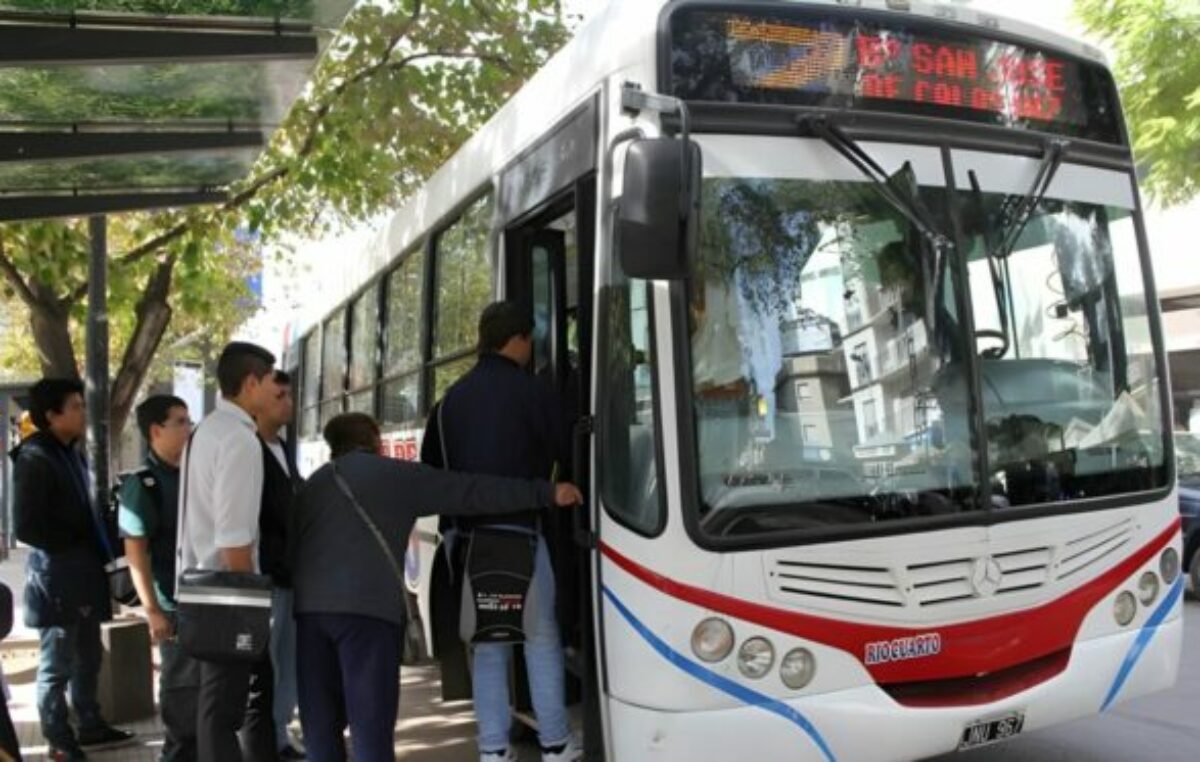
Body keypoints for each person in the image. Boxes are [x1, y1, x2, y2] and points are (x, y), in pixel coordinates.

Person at [291, 412, 582, 762]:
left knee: (320, 726)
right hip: (369, 614)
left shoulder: (313, 485)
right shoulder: (395, 476)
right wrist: (546, 491)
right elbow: (471, 491)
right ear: (375, 441)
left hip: (309, 614)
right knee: (370, 726)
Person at [421, 301, 578, 762]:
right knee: (540, 638)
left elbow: (434, 472)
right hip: (519, 537)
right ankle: (554, 742)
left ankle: (493, 749)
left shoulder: (448, 402)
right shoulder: (532, 392)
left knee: (489, 646)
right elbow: (565, 449)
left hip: (466, 544)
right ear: (521, 340)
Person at [11, 378, 135, 760]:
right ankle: (58, 739)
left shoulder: (69, 453)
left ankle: (90, 724)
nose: (84, 412)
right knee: (57, 662)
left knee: (88, 656)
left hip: (82, 572)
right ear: (52, 415)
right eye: (76, 406)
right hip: (58, 575)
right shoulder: (35, 458)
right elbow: (28, 527)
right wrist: (76, 537)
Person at [178, 343, 279, 762]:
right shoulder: (240, 439)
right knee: (224, 712)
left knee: (217, 708)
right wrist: (251, 613)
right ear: (251, 382)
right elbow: (234, 536)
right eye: (272, 381)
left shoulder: (206, 430)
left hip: (202, 590)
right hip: (226, 596)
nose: (276, 391)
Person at [118, 395, 198, 762]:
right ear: (155, 431)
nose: (189, 428)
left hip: (200, 599)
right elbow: (136, 552)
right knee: (181, 688)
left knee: (200, 689)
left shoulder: (191, 474)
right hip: (172, 604)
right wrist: (152, 610)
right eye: (180, 422)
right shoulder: (144, 484)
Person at [256, 371, 305, 760]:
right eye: (280, 395)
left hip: (291, 571)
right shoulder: (248, 447)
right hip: (266, 574)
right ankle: (266, 738)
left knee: (288, 658)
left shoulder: (284, 447)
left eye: (290, 395)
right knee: (268, 659)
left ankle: (281, 734)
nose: (289, 402)